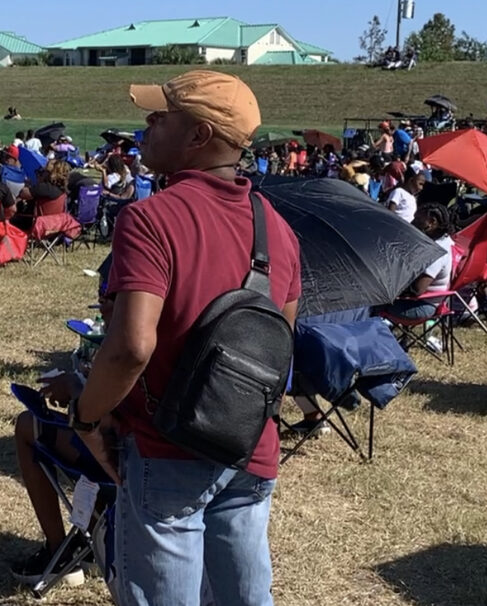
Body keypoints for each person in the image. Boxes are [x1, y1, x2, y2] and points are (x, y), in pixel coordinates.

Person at [72, 70, 301, 606]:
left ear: (199, 136)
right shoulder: (279, 229)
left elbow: (131, 348)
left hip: (165, 448)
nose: (147, 124)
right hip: (248, 448)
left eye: (161, 115)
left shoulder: (151, 219)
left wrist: (87, 416)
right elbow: (278, 348)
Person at [11, 256, 114, 586]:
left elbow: (111, 414)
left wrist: (77, 390)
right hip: (156, 456)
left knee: (28, 426)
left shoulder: (132, 339)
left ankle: (61, 552)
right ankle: (99, 523)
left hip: (119, 456)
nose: (100, 300)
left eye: (106, 292)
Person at [377, 204, 453, 320]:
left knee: (371, 304)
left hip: (422, 306)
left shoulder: (437, 252)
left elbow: (417, 289)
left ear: (432, 222)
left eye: (417, 219)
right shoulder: (446, 241)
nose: (412, 223)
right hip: (427, 301)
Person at [13, 159, 68, 231]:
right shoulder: (62, 190)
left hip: (36, 226)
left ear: (50, 174)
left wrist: (27, 186)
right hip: (54, 226)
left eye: (44, 171)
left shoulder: (44, 188)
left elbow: (23, 194)